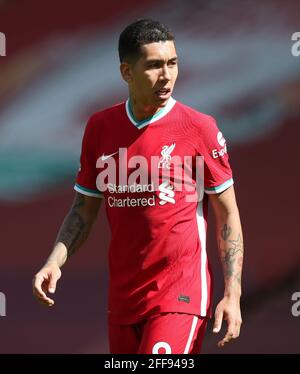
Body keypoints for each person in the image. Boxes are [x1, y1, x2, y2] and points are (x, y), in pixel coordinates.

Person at [32, 19, 244, 354]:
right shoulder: (100, 127)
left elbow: (227, 214)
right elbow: (83, 209)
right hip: (123, 298)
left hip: (180, 295)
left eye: (173, 63)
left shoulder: (199, 128)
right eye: (154, 66)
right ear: (126, 72)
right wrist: (54, 261)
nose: (167, 76)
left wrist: (232, 293)